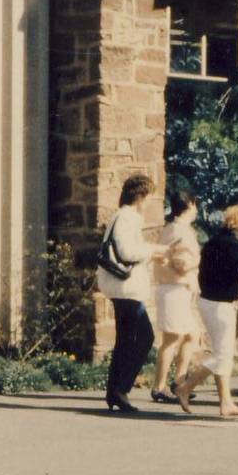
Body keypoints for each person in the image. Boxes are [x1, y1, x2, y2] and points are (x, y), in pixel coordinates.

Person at [176, 203, 238, 418]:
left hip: (211, 303)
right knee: (223, 356)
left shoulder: (217, 242)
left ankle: (226, 402)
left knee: (221, 354)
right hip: (220, 306)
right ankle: (185, 387)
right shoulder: (230, 246)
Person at [96, 174, 167, 413]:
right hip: (126, 289)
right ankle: (120, 389)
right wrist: (154, 250)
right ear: (140, 197)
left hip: (122, 289)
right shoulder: (128, 217)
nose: (148, 203)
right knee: (143, 337)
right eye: (148, 197)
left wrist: (151, 253)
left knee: (126, 340)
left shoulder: (122, 216)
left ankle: (115, 391)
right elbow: (127, 252)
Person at [149, 190, 201, 404]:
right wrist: (199, 261)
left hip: (177, 290)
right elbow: (181, 264)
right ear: (190, 204)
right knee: (172, 339)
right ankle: (159, 387)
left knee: (191, 335)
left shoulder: (174, 229)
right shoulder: (180, 231)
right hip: (174, 290)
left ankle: (179, 382)